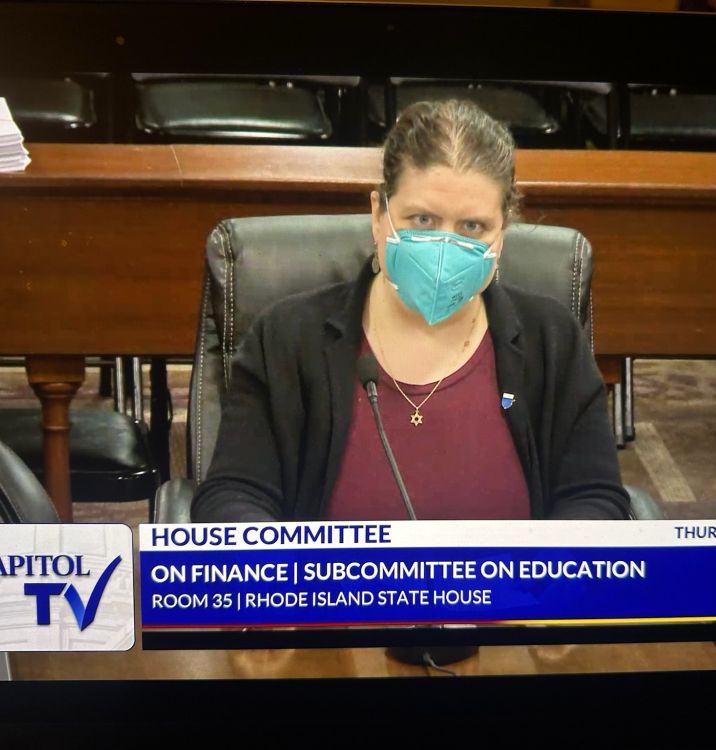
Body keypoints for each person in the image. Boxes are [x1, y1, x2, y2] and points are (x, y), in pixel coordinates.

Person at [192, 99, 629, 523]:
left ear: (502, 234)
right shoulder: (286, 339)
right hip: (339, 596)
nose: (444, 247)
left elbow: (595, 499)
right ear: (378, 215)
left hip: (513, 597)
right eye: (422, 220)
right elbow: (234, 497)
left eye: (472, 227)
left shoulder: (552, 341)